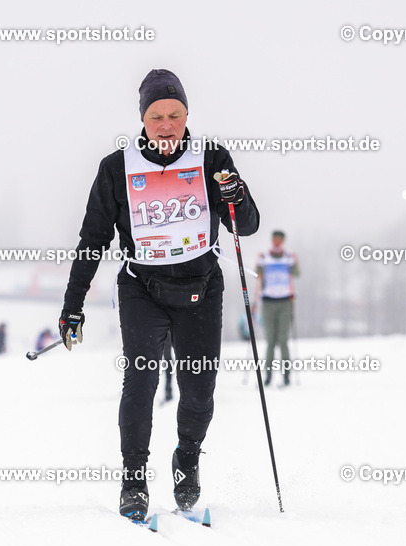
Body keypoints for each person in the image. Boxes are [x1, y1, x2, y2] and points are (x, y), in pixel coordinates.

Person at [58, 68, 261, 521]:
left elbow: (244, 225)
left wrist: (237, 194)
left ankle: (186, 460)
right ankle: (134, 480)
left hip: (202, 287)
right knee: (142, 380)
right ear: (143, 119)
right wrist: (73, 306)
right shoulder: (117, 167)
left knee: (199, 389)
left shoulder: (212, 157)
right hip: (142, 289)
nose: (166, 124)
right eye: (156, 116)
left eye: (175, 114)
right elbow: (93, 239)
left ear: (187, 115)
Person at [256, 230, 299, 386]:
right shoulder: (265, 258)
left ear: (283, 241)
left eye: (280, 240)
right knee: (270, 341)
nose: (277, 242)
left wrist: (295, 262)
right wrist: (258, 264)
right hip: (268, 302)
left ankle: (286, 376)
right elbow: (257, 275)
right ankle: (268, 376)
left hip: (285, 302)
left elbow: (296, 273)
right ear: (272, 240)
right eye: (275, 239)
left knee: (283, 340)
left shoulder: (288, 258)